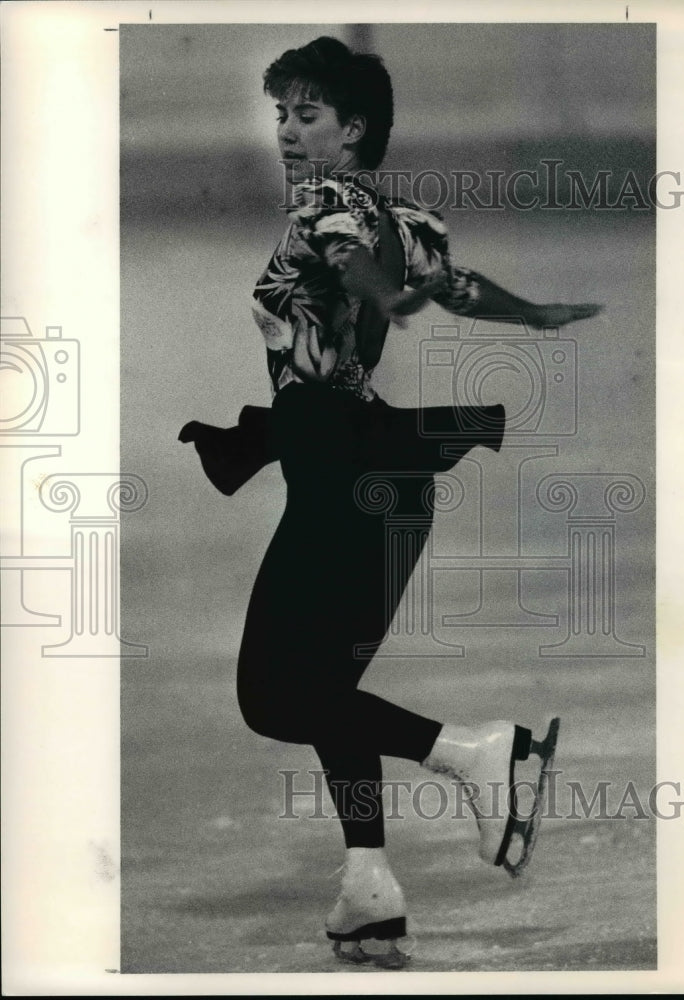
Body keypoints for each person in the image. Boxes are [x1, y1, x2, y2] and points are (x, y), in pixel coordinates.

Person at [179, 35, 600, 969]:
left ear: (353, 127)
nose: (286, 131)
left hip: (338, 472)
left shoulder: (328, 205)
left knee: (271, 695)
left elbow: (350, 263)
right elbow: (448, 284)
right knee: (323, 692)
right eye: (280, 113)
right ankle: (367, 887)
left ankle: (472, 751)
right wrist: (529, 313)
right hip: (386, 481)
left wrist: (382, 295)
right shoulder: (402, 216)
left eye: (307, 114)